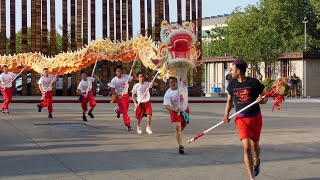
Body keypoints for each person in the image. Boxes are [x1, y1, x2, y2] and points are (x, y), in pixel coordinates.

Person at [224, 59, 268, 180]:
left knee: (255, 146)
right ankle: (251, 178)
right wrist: (226, 114)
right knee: (247, 147)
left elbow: (265, 98)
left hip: (255, 117)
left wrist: (261, 100)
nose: (230, 71)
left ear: (238, 71)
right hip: (241, 119)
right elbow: (229, 101)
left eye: (232, 69)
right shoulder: (232, 84)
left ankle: (257, 160)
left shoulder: (254, 83)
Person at [163, 76, 189, 154]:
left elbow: (185, 78)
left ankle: (179, 134)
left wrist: (184, 69)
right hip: (175, 112)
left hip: (185, 110)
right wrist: (174, 109)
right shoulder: (168, 93)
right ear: (169, 84)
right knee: (178, 127)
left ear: (177, 81)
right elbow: (166, 106)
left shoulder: (182, 86)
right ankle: (180, 146)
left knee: (182, 127)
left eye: (174, 81)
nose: (173, 83)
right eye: (171, 82)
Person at [110, 65, 137, 131]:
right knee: (125, 111)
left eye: (120, 70)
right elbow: (112, 90)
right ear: (115, 72)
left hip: (126, 96)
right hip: (119, 97)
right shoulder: (114, 80)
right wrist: (118, 96)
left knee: (125, 109)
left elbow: (135, 78)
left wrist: (132, 69)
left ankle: (117, 111)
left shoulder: (126, 76)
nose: (119, 72)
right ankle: (128, 125)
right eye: (117, 71)